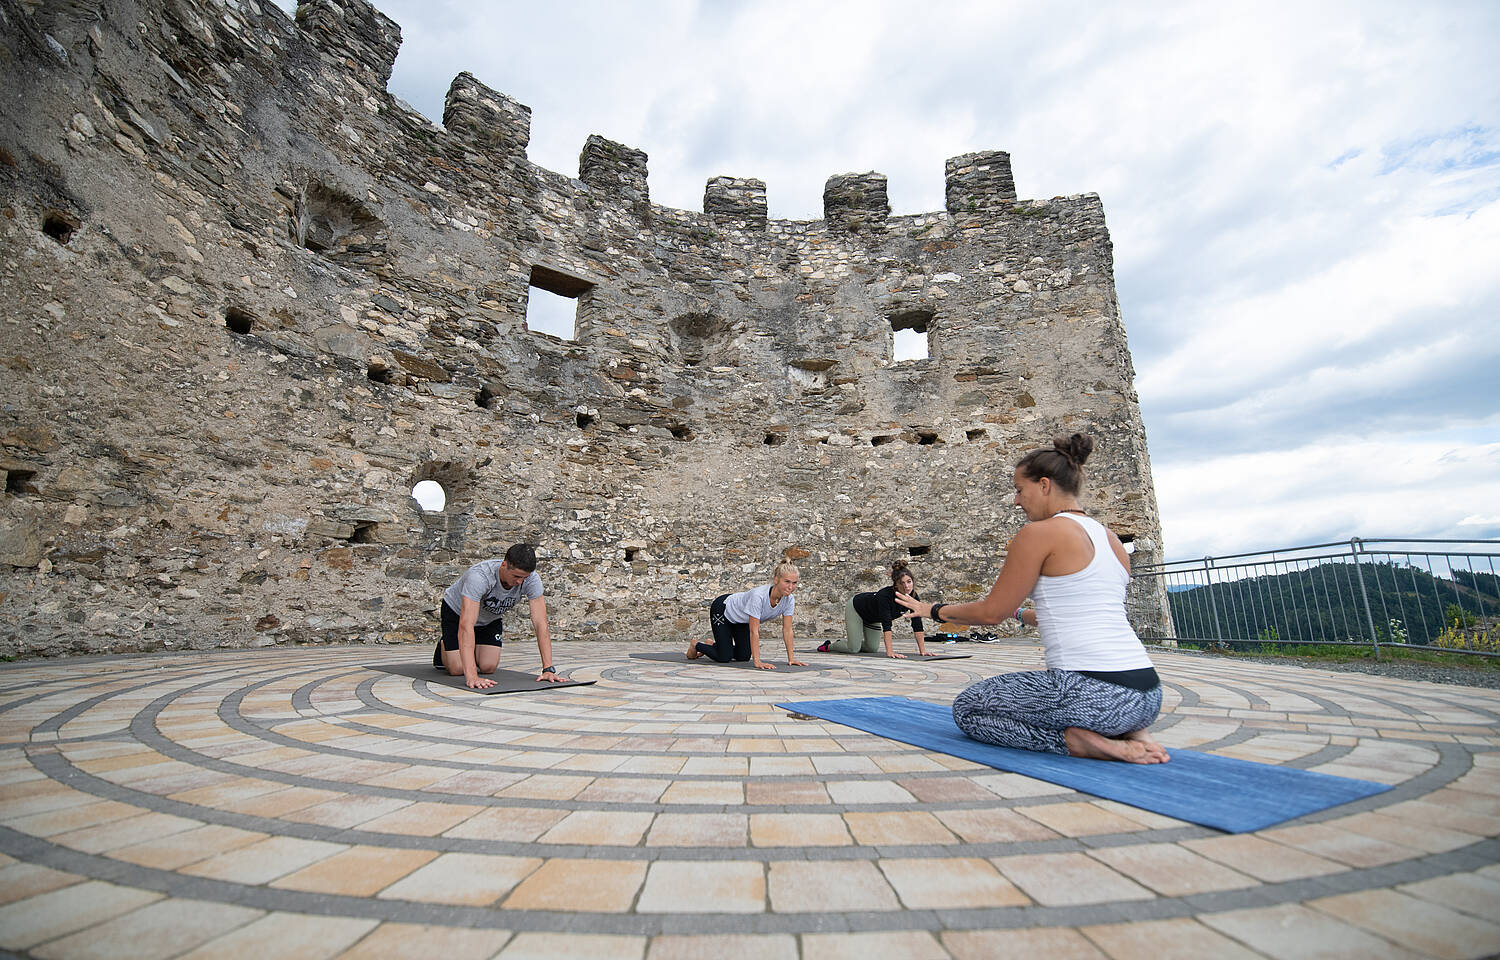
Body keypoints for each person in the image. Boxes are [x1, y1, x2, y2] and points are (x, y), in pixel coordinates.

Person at [896, 434, 1168, 764]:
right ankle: (1130, 730)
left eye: (1019, 490)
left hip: (1091, 693)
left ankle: (1090, 743)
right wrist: (1019, 613)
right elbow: (1061, 614)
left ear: (1043, 485)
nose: (1016, 500)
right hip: (1148, 694)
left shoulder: (1039, 533)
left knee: (969, 709)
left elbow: (990, 612)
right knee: (1062, 700)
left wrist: (932, 610)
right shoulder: (1110, 539)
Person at [435, 543, 568, 690]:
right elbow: (466, 625)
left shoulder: (532, 580)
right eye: (516, 576)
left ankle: (468, 647)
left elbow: (540, 623)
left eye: (524, 577)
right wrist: (472, 676)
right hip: (457, 613)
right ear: (504, 565)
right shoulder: (479, 577)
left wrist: (548, 669)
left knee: (488, 666)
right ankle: (444, 644)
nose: (519, 582)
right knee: (458, 669)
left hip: (490, 617)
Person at [685, 561, 807, 670]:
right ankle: (696, 645)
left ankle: (713, 645)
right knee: (724, 657)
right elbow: (754, 631)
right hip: (723, 609)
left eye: (794, 583)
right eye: (787, 582)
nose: (791, 587)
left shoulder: (789, 599)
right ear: (776, 580)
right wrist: (757, 662)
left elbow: (787, 629)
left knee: (743, 656)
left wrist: (791, 659)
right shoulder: (758, 596)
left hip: (741, 620)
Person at [820, 560, 930, 658]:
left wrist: (923, 651)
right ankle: (829, 646)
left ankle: (852, 642)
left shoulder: (914, 596)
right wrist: (890, 652)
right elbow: (887, 625)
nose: (906, 586)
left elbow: (917, 623)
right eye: (902, 583)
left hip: (872, 618)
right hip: (856, 608)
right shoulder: (885, 596)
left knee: (871, 648)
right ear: (896, 585)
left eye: (909, 581)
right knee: (853, 649)